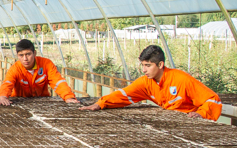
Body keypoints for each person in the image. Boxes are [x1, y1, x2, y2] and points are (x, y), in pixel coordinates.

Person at [80, 44, 222, 120]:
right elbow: (124, 94)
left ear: (160, 65)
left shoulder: (181, 79)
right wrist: (100, 104)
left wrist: (201, 114)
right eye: (142, 65)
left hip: (191, 124)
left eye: (148, 66)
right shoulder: (145, 83)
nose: (143, 70)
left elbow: (213, 100)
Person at [0, 39, 80, 106]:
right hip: (20, 103)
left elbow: (58, 82)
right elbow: (7, 83)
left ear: (34, 53)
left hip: (43, 103)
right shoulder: (15, 69)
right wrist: (2, 97)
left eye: (28, 54)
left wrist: (69, 97)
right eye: (21, 55)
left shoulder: (46, 64)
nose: (25, 58)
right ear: (18, 56)